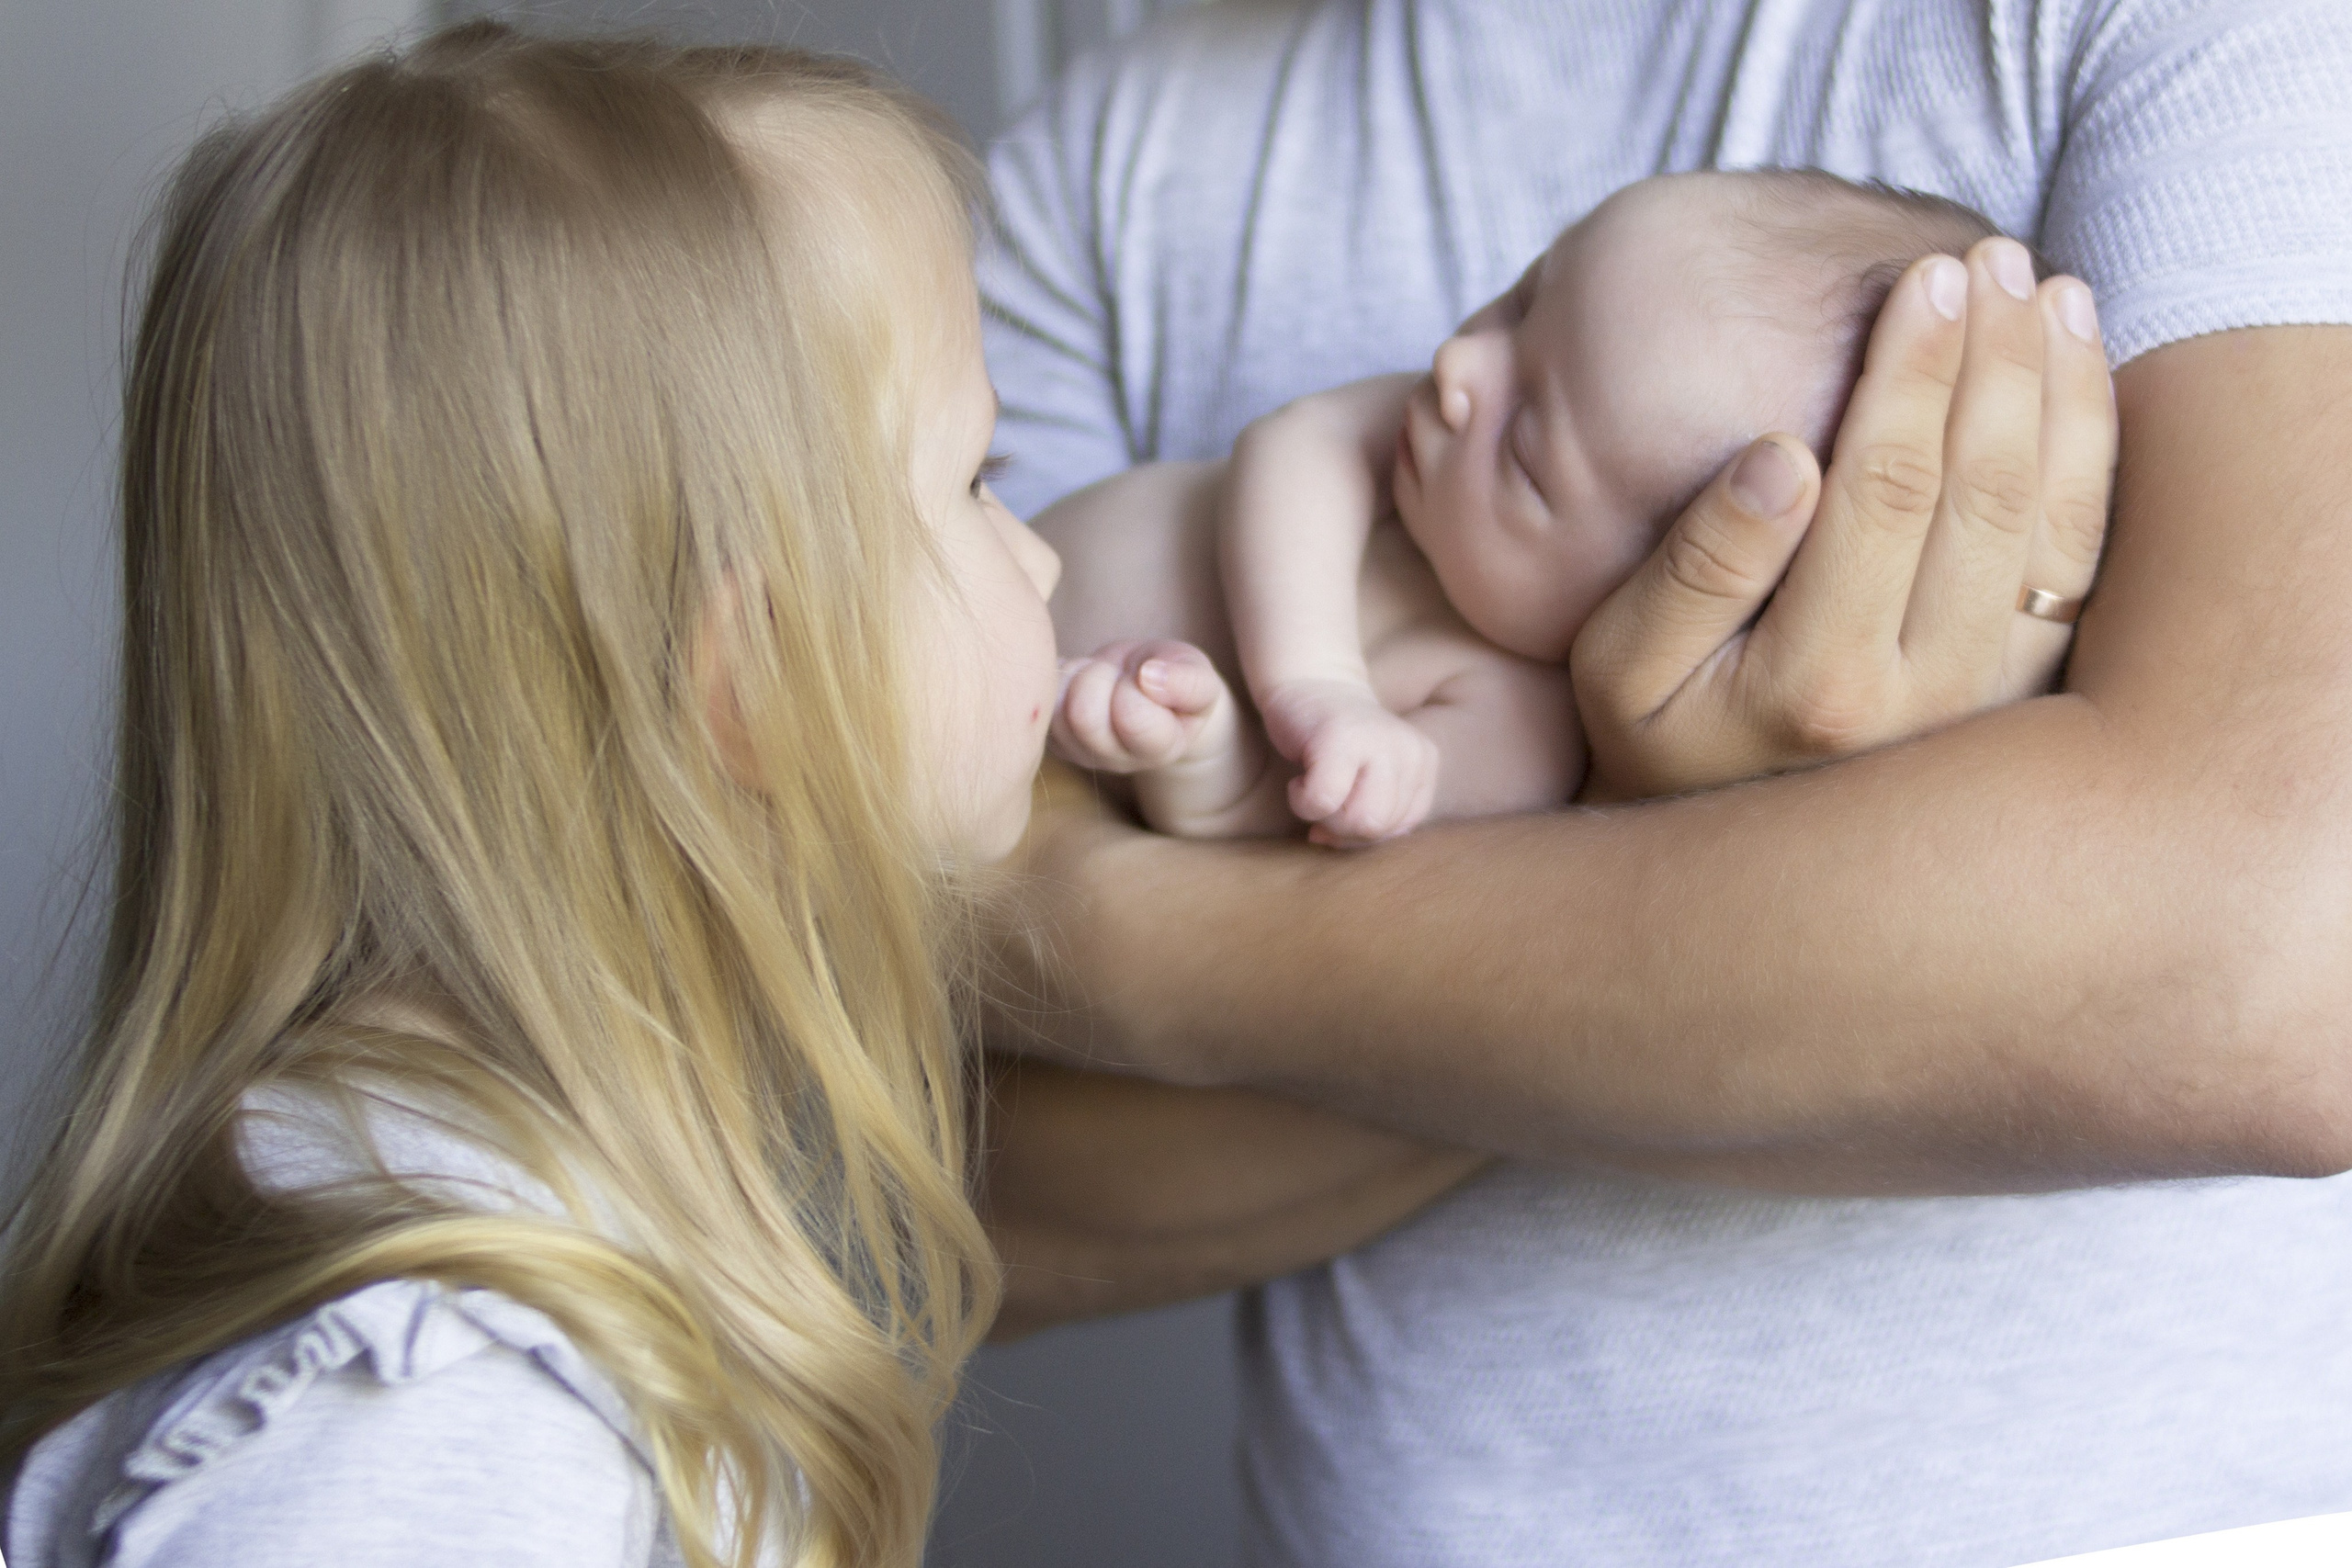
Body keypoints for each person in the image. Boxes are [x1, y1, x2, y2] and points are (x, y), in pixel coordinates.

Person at [975, 0, 2352, 1564]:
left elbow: (2275, 981)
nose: (1449, 374)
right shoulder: (1106, 168)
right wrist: (1716, 852)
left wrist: (1097, 929)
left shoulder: (2154, 27)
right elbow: (961, 1203)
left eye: (1541, 453)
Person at [0, 24, 1063, 1568]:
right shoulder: (439, 1419)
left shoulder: (438, 1222)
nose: (1038, 554)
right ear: (752, 667)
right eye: (976, 480)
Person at [1045, 170, 2094, 844]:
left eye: (1528, 453)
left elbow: (1271, 823)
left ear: (1678, 590)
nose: (1459, 368)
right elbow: (1290, 447)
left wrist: (1200, 753)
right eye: (1521, 299)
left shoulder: (1517, 741)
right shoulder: (1400, 457)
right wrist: (1316, 682)